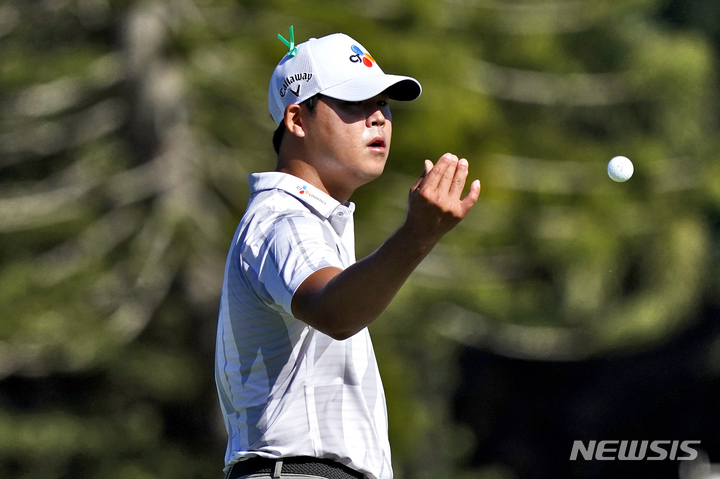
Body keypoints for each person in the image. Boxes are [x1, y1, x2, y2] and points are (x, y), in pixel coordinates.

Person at [215, 28, 481, 479]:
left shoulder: (309, 222)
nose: (378, 118)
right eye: (354, 103)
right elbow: (334, 312)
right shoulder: (284, 219)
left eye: (383, 103)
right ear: (297, 119)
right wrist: (417, 235)